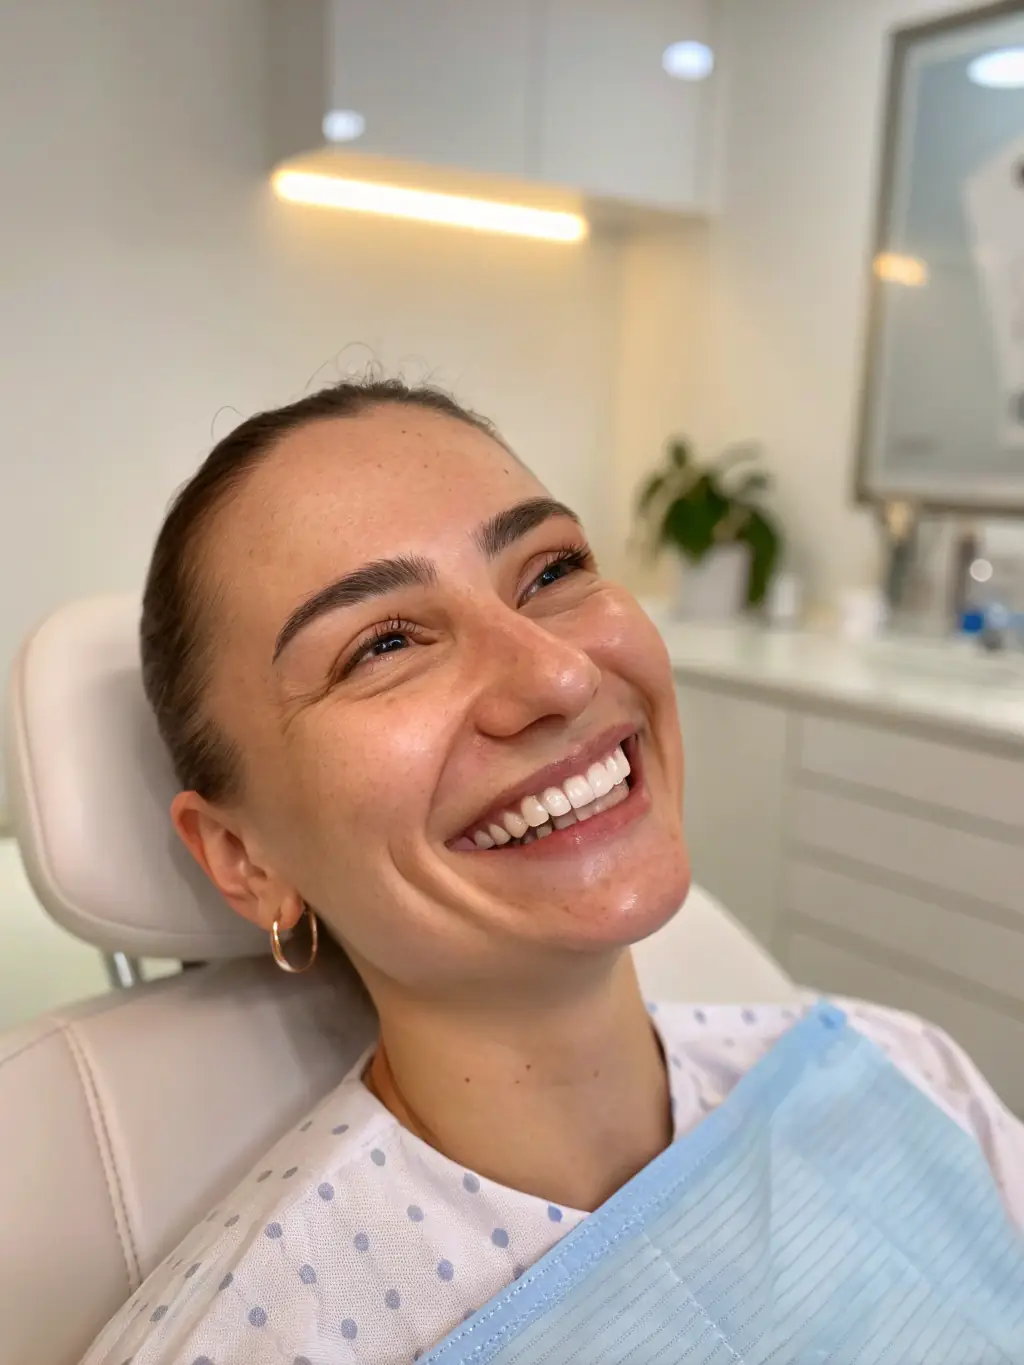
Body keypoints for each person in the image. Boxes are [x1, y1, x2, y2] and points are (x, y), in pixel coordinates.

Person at [82, 378, 1024, 1365]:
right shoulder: (252, 1339)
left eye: (549, 571)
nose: (559, 675)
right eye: (384, 644)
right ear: (244, 859)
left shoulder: (903, 1082)